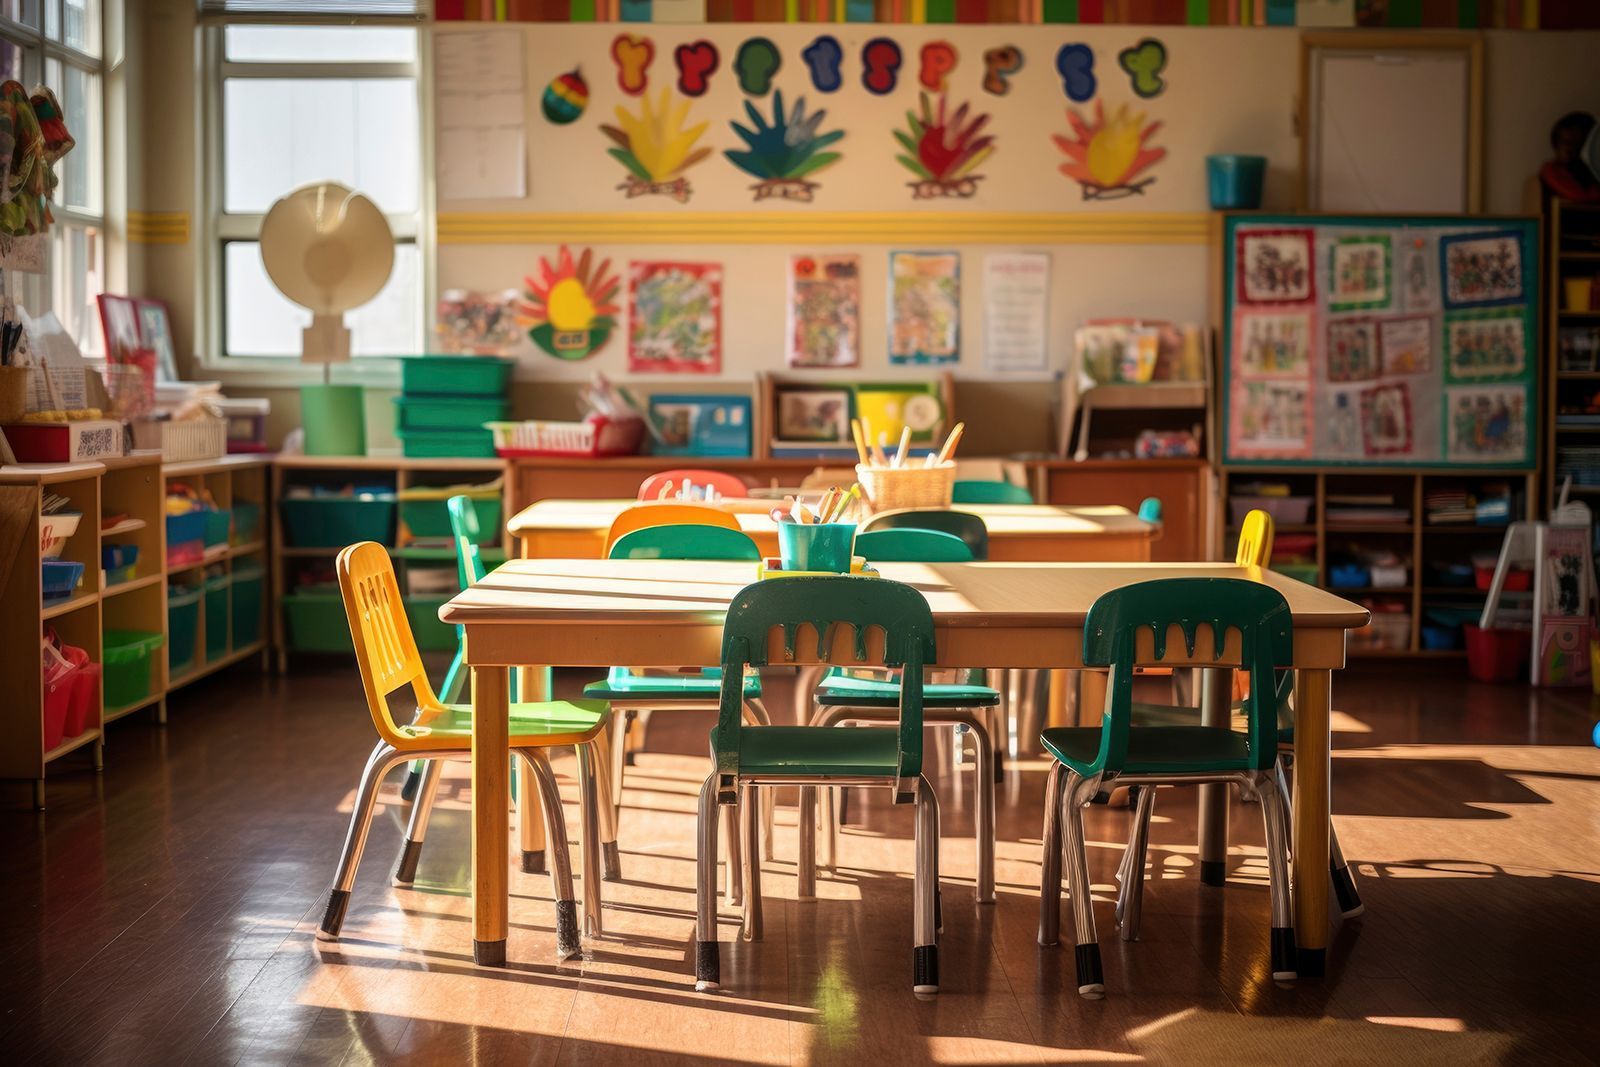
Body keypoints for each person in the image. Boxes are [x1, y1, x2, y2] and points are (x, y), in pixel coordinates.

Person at [1539, 111, 1600, 205]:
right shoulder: (1552, 171)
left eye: (1574, 143)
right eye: (1564, 142)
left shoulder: (1590, 172)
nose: (1567, 149)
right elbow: (1583, 197)